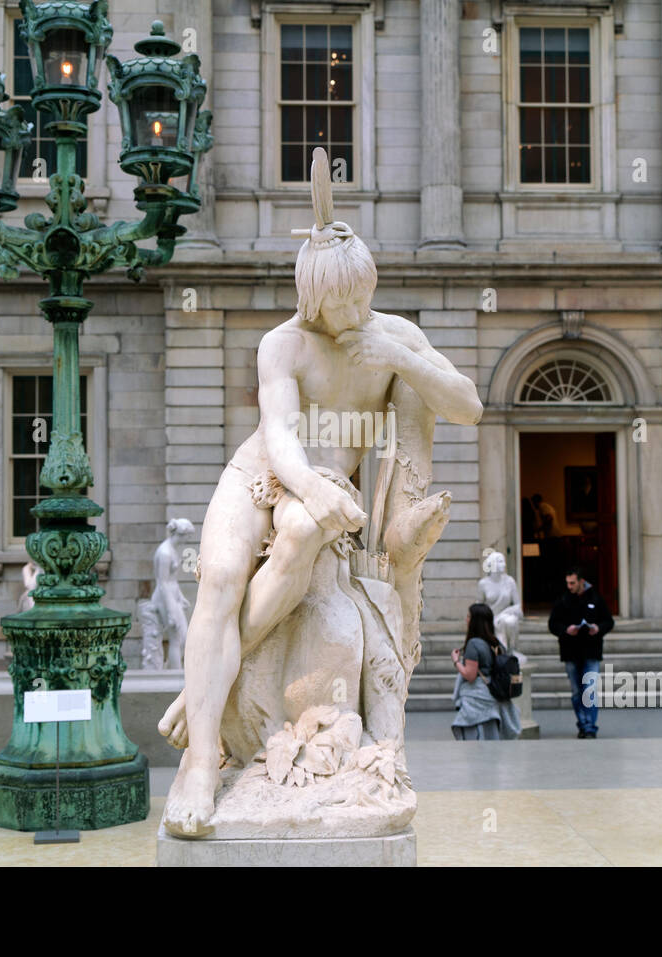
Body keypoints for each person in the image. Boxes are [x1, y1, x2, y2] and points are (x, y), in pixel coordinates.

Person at [155, 149, 484, 836]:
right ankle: (203, 757)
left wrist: (401, 358)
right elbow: (279, 436)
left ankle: (202, 690)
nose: (355, 313)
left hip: (321, 486)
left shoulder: (391, 335)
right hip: (268, 472)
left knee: (304, 532)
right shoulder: (284, 344)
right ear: (312, 300)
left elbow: (468, 406)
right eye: (340, 305)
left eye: (363, 296)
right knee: (216, 575)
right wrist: (307, 484)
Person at [548, 566, 615, 738]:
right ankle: (583, 723)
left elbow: (608, 621)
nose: (569, 586)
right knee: (577, 692)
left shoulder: (595, 598)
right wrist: (566, 630)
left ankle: (590, 727)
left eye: (572, 583)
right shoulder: (563, 600)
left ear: (581, 582)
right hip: (570, 652)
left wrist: (598, 628)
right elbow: (553, 624)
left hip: (591, 651)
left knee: (589, 690)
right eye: (567, 583)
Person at [450, 603, 521, 740]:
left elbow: (470, 675)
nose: (466, 619)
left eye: (469, 616)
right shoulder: (496, 643)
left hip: (476, 699)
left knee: (475, 740)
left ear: (475, 621)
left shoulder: (473, 644)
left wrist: (456, 661)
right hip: (493, 697)